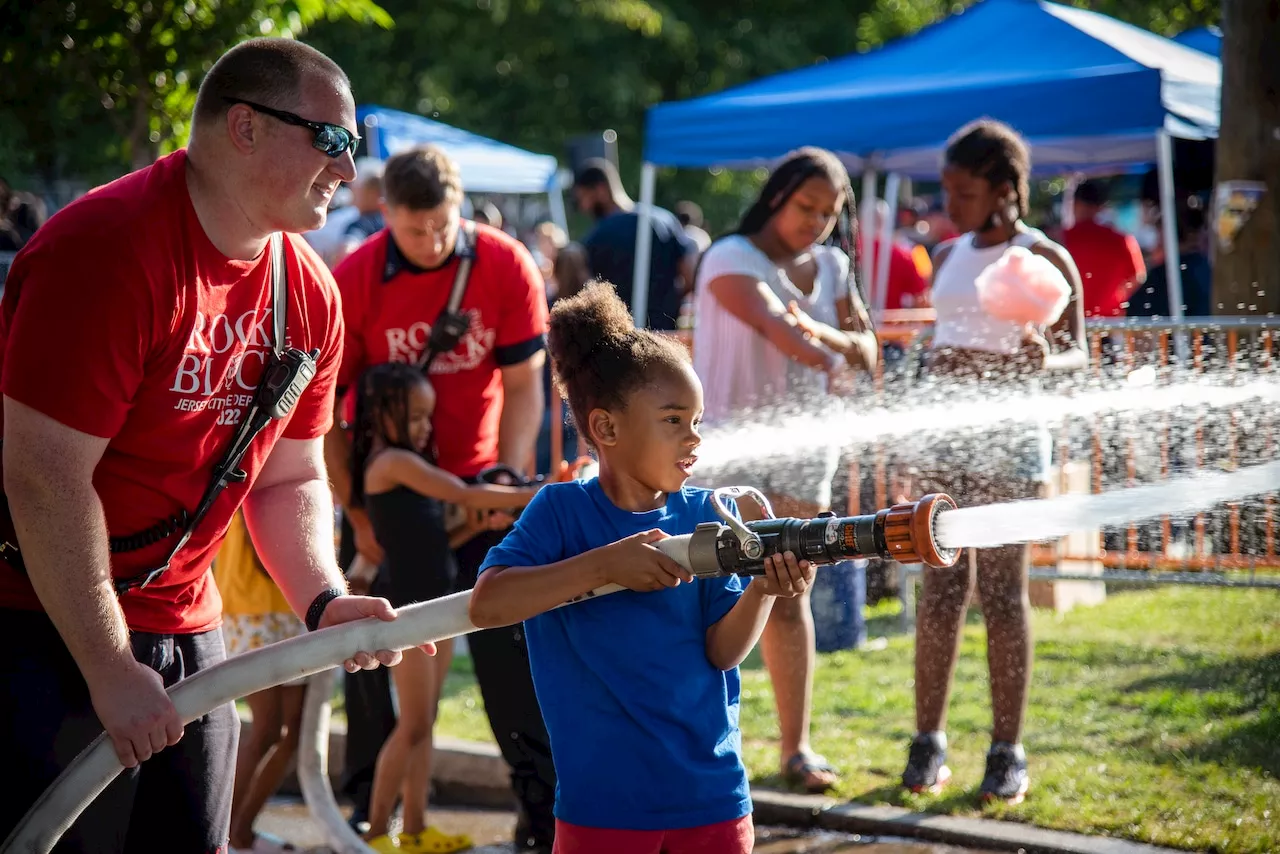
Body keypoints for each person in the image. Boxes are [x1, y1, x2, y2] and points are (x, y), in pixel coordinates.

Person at [0, 38, 415, 853]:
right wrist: (110, 665)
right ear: (245, 127)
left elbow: (289, 476)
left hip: (191, 631)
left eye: (355, 147)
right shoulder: (106, 251)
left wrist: (324, 601)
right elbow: (45, 476)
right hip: (42, 622)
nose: (349, 167)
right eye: (332, 140)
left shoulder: (309, 291)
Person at [469, 281, 817, 854]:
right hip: (602, 808)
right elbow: (490, 603)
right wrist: (606, 565)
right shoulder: (560, 512)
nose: (695, 437)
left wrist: (762, 591)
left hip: (713, 799)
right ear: (606, 429)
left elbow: (722, 652)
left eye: (697, 420)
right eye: (675, 419)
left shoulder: (709, 513)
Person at [325, 143, 556, 851]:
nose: (430, 243)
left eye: (443, 227)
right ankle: (373, 814)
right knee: (374, 664)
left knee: (511, 660)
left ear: (461, 208)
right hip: (390, 500)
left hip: (481, 485)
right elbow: (330, 417)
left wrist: (508, 482)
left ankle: (542, 814)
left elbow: (524, 387)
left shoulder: (504, 263)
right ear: (385, 214)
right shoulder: (356, 276)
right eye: (414, 230)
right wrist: (356, 513)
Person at [900, 119, 1086, 804]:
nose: (950, 203)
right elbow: (945, 333)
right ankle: (928, 740)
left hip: (1009, 441)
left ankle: (1007, 750)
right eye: (946, 188)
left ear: (1005, 187)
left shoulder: (1044, 256)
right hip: (944, 441)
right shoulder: (949, 254)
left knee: (1004, 595)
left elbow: (1079, 356)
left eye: (964, 189)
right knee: (941, 589)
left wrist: (1047, 358)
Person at [689, 146, 878, 794]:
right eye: (807, 207)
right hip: (727, 455)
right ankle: (709, 746)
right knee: (714, 604)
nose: (818, 223)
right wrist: (837, 347)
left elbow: (870, 350)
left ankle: (796, 748)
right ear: (776, 195)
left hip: (805, 455)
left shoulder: (831, 263)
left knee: (790, 592)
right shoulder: (728, 258)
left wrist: (838, 343)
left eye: (829, 213)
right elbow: (780, 330)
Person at [350, 362, 544, 853]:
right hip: (407, 612)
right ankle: (375, 835)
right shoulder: (390, 463)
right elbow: (460, 492)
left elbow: (436, 538)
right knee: (412, 723)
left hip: (431, 606)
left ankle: (414, 829)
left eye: (426, 417)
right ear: (380, 413)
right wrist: (538, 495)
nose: (424, 427)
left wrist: (477, 528)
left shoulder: (408, 464)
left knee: (426, 720)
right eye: (414, 416)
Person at [214, 511, 307, 854]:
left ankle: (241, 832)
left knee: (290, 731)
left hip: (292, 605)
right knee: (268, 729)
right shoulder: (253, 461)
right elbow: (263, 547)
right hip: (251, 608)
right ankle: (220, 837)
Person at [572, 158, 697, 331]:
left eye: (583, 198)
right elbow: (690, 275)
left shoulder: (597, 236)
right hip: (665, 337)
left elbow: (585, 288)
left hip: (620, 337)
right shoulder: (664, 220)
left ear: (600, 189)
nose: (584, 207)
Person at [1062, 178, 1146, 318]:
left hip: (1072, 322)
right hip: (1111, 322)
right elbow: (1138, 277)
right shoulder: (1121, 240)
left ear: (1074, 204)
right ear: (1101, 207)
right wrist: (1116, 297)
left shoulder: (1061, 240)